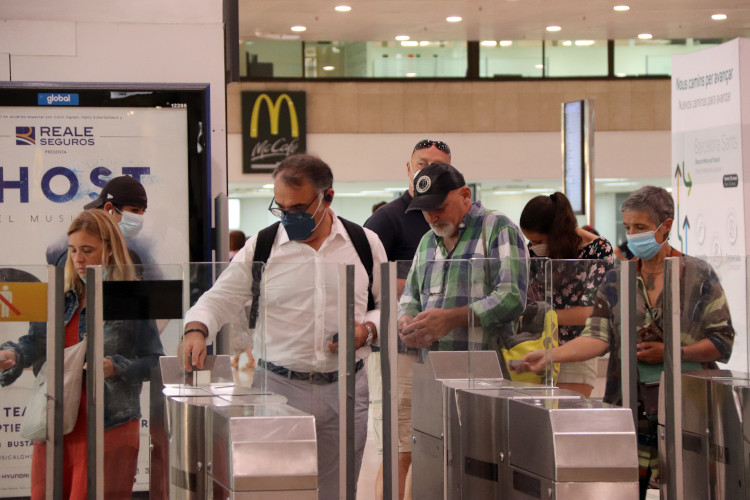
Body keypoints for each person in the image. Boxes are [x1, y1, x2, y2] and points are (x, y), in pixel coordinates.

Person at [180, 154, 387, 500]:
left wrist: (367, 331)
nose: (289, 217)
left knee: (339, 491)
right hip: (278, 387)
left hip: (347, 388)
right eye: (281, 207)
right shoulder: (262, 247)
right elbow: (219, 298)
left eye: (299, 208)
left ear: (328, 197)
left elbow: (389, 308)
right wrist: (196, 329)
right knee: (276, 489)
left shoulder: (363, 243)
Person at [515, 186, 734, 500]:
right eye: (628, 228)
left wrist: (673, 352)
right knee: (627, 485)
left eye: (641, 228)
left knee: (689, 485)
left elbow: (721, 342)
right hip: (630, 406)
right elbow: (597, 336)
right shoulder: (619, 279)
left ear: (667, 226)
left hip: (687, 411)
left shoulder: (698, 275)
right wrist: (550, 355)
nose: (633, 236)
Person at [0, 209, 164, 500]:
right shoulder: (57, 295)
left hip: (108, 425)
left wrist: (117, 366)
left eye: (87, 250)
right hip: (55, 422)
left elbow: (155, 363)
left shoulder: (131, 299)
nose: (78, 259)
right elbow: (33, 344)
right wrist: (12, 355)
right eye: (73, 250)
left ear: (110, 250)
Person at [364, 139, 452, 500]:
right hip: (397, 351)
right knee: (399, 449)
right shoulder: (387, 218)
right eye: (422, 163)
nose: (428, 170)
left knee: (432, 451)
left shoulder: (456, 218)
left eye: (438, 165)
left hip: (442, 350)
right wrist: (415, 283)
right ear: (408, 168)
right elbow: (364, 280)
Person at [398, 161, 529, 356]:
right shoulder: (427, 241)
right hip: (433, 365)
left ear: (465, 195)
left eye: (440, 208)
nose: (432, 218)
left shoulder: (497, 227)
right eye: (425, 211)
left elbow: (511, 297)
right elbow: (411, 296)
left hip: (485, 366)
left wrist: (451, 319)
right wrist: (407, 319)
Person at [519, 192, 614, 396]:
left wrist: (540, 315)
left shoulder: (597, 253)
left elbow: (591, 312)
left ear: (556, 234)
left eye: (538, 241)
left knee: (569, 418)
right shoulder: (534, 252)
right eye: (530, 242)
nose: (533, 247)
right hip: (535, 346)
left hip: (576, 350)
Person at [46, 176, 151, 267]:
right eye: (134, 210)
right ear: (109, 209)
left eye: (143, 211)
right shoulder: (72, 259)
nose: (140, 217)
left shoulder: (132, 257)